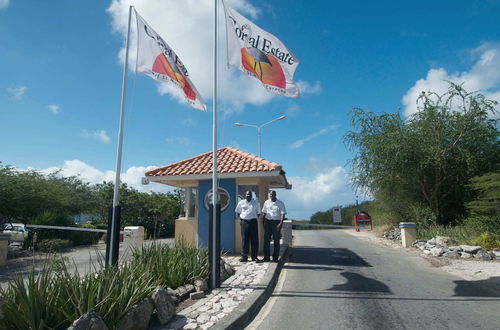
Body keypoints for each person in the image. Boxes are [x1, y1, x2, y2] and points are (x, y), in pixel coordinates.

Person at [235, 190, 261, 262]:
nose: (248, 196)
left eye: (249, 195)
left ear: (251, 196)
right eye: (247, 195)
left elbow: (258, 213)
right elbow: (238, 212)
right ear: (245, 195)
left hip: (253, 222)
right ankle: (244, 257)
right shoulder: (241, 202)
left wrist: (252, 217)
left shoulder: (256, 203)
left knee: (254, 240)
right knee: (244, 240)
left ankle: (254, 257)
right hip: (244, 222)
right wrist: (242, 220)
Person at [261, 190, 286, 262]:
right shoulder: (266, 202)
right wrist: (263, 223)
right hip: (268, 222)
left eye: (273, 195)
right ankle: (266, 257)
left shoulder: (280, 203)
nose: (271, 196)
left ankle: (275, 258)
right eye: (270, 195)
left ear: (275, 195)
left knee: (276, 241)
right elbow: (264, 213)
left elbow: (282, 214)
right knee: (266, 241)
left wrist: (281, 223)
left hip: (276, 223)